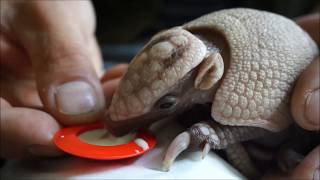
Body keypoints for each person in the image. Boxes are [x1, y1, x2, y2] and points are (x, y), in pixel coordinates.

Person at [0, 1, 318, 179]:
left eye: (166, 103)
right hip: (116, 54)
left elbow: (274, 120)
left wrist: (217, 134)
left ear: (209, 74)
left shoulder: (257, 79)